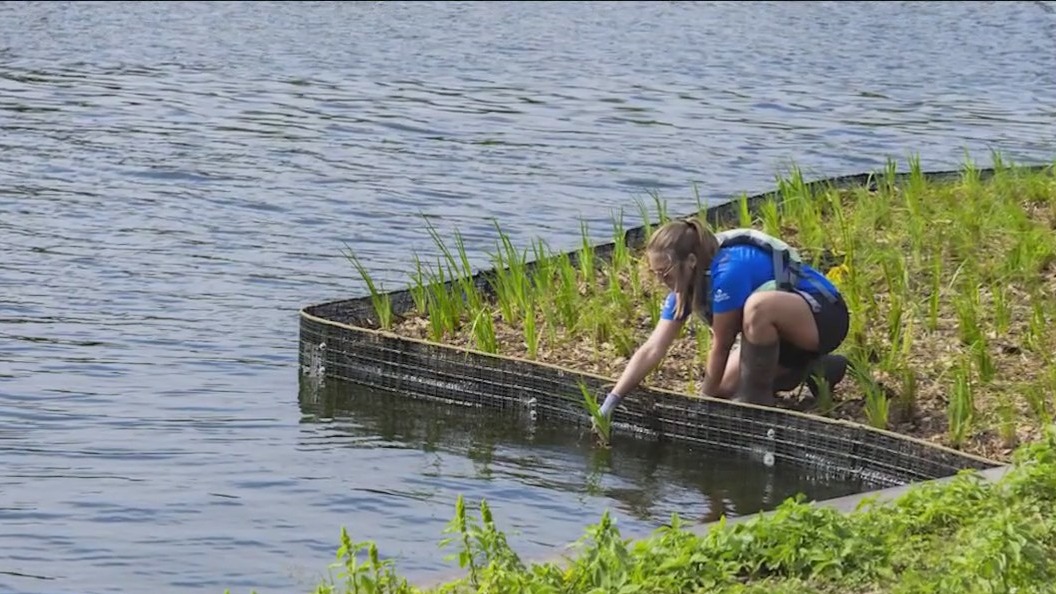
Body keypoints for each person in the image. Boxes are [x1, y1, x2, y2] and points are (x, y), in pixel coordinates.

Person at [598, 216, 851, 420]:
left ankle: (755, 403)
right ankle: (817, 369)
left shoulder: (729, 269)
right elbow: (653, 348)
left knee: (758, 307)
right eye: (654, 274)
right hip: (781, 340)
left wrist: (702, 406)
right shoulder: (684, 287)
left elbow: (722, 344)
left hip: (823, 316)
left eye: (665, 273)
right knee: (722, 387)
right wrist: (612, 400)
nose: (661, 282)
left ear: (691, 262)